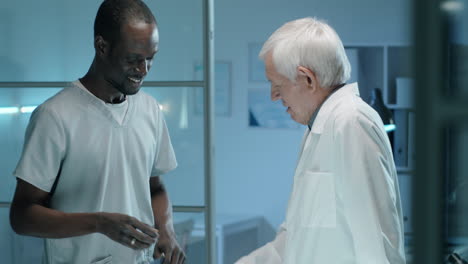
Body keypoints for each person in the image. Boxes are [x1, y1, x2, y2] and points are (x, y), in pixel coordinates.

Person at [9, 0, 185, 263]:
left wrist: (166, 231)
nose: (144, 70)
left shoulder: (150, 109)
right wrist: (99, 223)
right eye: (134, 59)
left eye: (150, 58)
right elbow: (22, 217)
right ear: (102, 46)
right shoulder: (55, 116)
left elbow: (155, 188)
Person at [236, 17, 406, 264]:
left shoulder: (351, 123)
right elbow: (296, 235)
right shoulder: (318, 128)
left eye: (277, 85)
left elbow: (376, 244)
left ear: (308, 79)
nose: (273, 96)